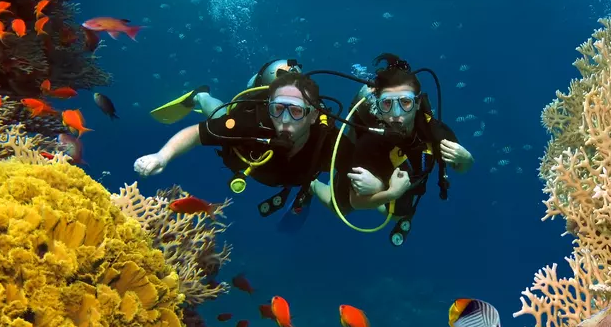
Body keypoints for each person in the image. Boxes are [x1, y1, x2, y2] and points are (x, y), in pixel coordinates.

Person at [135, 69, 340, 231]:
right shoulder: (252, 123)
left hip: (299, 175)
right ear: (269, 107)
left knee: (312, 181)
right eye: (278, 109)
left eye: (296, 111)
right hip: (240, 152)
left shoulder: (328, 139)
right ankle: (201, 96)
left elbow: (360, 175)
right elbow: (196, 133)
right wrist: (162, 156)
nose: (285, 120)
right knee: (220, 115)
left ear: (313, 115)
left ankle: (310, 186)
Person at [311, 53, 474, 245]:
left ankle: (383, 193)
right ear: (378, 106)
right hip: (378, 174)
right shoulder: (369, 141)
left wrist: (467, 159)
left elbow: (461, 167)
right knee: (340, 207)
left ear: (418, 102)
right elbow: (356, 202)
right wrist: (390, 193)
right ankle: (311, 184)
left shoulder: (435, 132)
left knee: (398, 215)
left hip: (402, 181)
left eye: (405, 102)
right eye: (387, 104)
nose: (397, 115)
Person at [149, 59, 305, 125]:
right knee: (224, 118)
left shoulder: (313, 112)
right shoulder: (253, 109)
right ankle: (201, 96)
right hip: (252, 104)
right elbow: (196, 134)